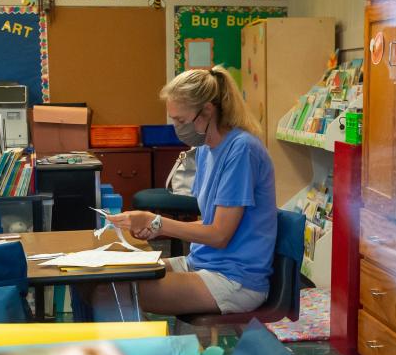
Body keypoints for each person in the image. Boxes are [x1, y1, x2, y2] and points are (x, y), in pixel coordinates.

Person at [106, 65, 277, 316]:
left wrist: (157, 223)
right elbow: (209, 223)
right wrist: (154, 226)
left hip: (235, 279)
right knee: (103, 279)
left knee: (113, 289)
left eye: (181, 121)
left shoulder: (241, 150)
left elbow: (219, 235)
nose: (177, 128)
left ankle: (139, 354)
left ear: (207, 111)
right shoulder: (207, 150)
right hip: (203, 264)